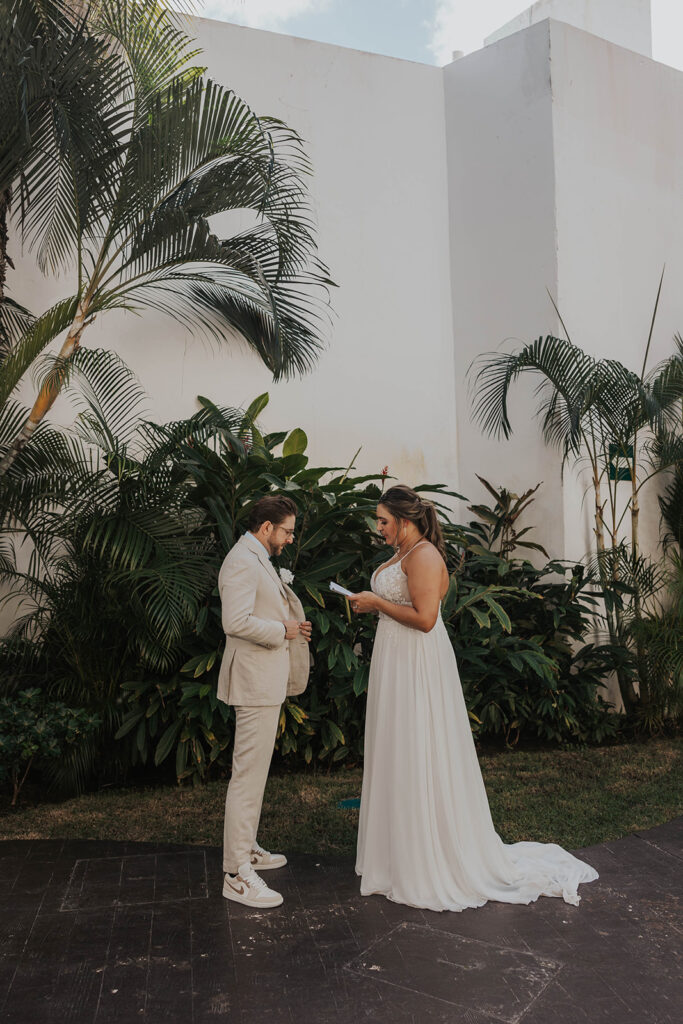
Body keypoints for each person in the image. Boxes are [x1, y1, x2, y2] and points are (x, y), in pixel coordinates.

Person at [348, 484, 598, 913]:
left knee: (418, 750)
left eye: (384, 521)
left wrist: (376, 602)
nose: (379, 527)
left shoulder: (424, 555)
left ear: (405, 521)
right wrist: (374, 604)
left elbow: (426, 620)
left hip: (416, 664)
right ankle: (396, 856)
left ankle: (427, 858)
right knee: (397, 749)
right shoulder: (402, 553)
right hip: (394, 660)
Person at [217, 495, 312, 909]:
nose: (290, 538)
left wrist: (289, 626)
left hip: (264, 681)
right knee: (247, 776)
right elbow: (234, 622)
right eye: (287, 530)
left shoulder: (256, 556)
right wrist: (283, 630)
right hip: (253, 682)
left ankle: (247, 846)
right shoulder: (242, 560)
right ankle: (236, 873)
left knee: (255, 775)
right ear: (267, 527)